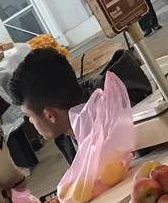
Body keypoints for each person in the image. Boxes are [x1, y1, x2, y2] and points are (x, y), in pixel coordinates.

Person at [8, 47, 152, 167]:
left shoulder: (117, 119)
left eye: (29, 116)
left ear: (50, 115)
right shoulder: (66, 133)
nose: (31, 122)